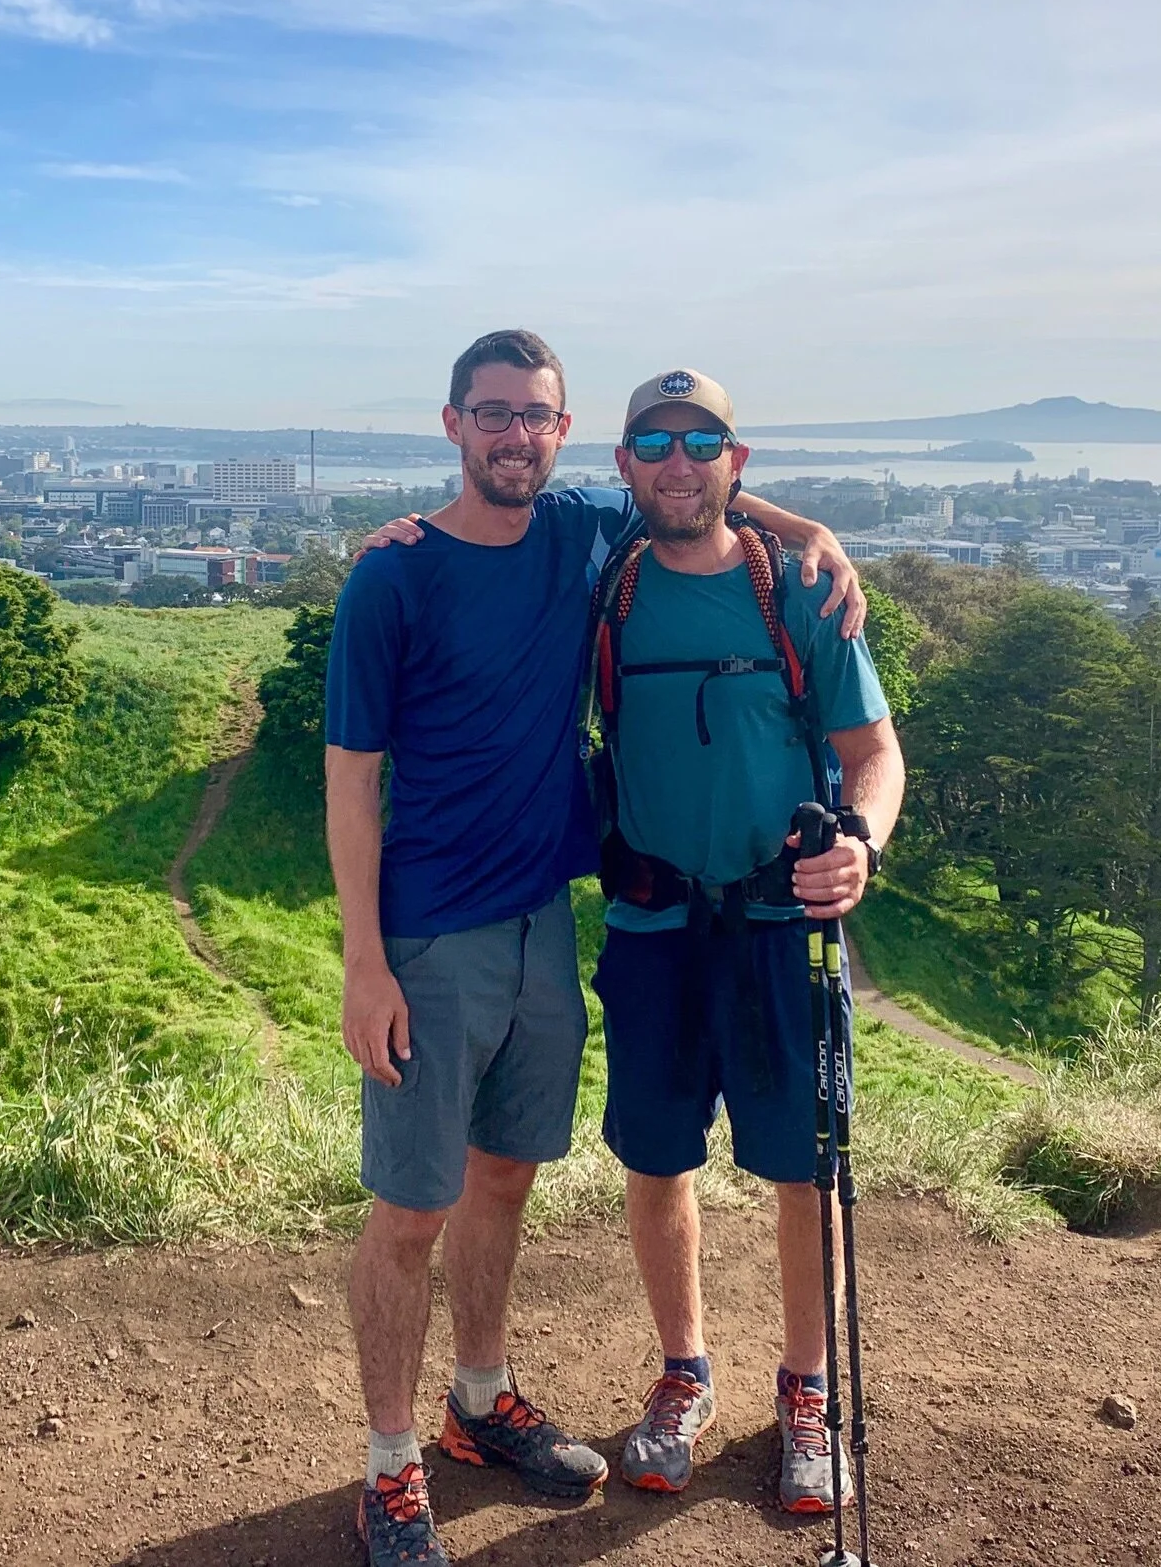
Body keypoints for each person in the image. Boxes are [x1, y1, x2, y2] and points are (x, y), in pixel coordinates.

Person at [325, 331, 864, 1567]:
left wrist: (809, 533)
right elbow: (350, 780)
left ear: (564, 438)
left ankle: (478, 1401)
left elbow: (689, 492)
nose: (516, 434)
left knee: (504, 1177)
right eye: (494, 413)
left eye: (536, 416)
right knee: (413, 1205)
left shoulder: (579, 532)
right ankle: (389, 1466)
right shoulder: (391, 580)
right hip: (428, 933)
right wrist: (363, 961)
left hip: (544, 927)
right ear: (452, 423)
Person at [587, 368, 904, 1519]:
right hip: (653, 922)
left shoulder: (801, 594)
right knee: (655, 1159)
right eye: (654, 442)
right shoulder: (606, 585)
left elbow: (872, 749)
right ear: (623, 465)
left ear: (737, 456)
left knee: (799, 1169)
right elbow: (498, 533)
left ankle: (807, 1393)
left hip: (780, 924)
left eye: (702, 439)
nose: (679, 461)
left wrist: (860, 842)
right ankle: (685, 1375)